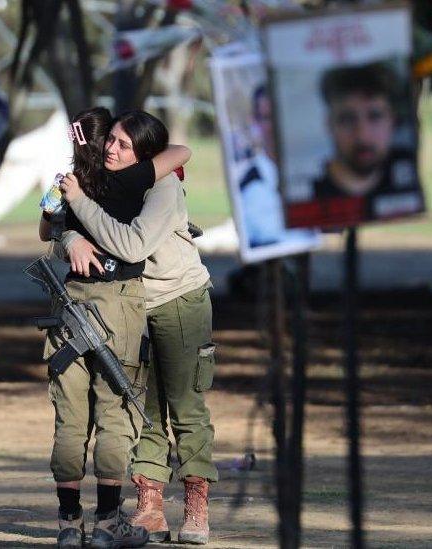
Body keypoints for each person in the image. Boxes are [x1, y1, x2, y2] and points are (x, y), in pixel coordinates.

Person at [59, 111, 217, 545]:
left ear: (145, 156)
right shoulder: (107, 180)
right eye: (110, 139)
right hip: (130, 304)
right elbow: (62, 224)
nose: (111, 149)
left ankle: (196, 505)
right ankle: (149, 505)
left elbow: (130, 243)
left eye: (124, 145)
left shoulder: (161, 186)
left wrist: (80, 208)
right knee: (139, 405)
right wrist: (71, 238)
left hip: (179, 298)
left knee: (186, 405)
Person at [311, 62, 421, 220]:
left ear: (393, 121)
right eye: (347, 119)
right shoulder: (310, 193)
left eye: (375, 116)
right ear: (329, 124)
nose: (362, 135)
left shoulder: (405, 175)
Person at [238, 84, 287, 247]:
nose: (275, 126)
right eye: (267, 118)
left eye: (280, 115)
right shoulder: (249, 186)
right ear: (255, 122)